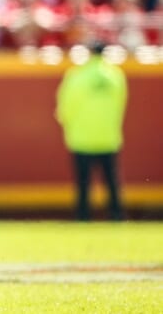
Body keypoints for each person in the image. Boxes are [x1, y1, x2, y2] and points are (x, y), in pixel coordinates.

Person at [55, 42, 127, 221]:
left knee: (83, 182)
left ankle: (83, 216)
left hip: (81, 137)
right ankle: (116, 215)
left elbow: (65, 106)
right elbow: (121, 104)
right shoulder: (115, 76)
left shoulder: (77, 76)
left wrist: (68, 124)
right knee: (111, 181)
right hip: (108, 137)